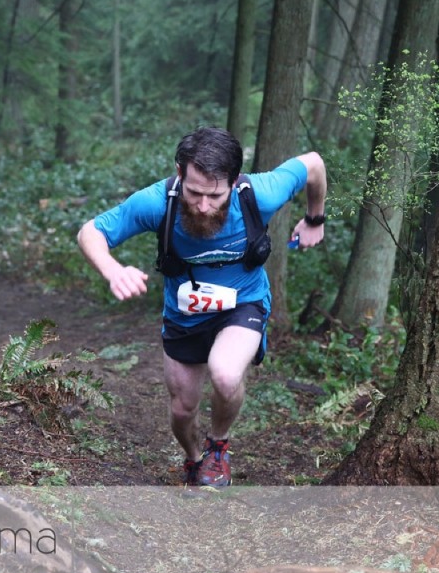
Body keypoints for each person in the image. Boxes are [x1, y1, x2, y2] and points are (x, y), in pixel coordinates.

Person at [77, 127, 327, 487]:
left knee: (225, 374)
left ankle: (219, 449)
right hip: (184, 314)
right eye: (194, 193)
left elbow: (314, 164)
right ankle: (194, 460)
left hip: (244, 302)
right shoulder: (156, 202)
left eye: (215, 196)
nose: (204, 205)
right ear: (180, 173)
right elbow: (91, 232)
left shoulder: (260, 193)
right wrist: (112, 270)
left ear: (234, 180)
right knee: (182, 408)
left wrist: (314, 218)